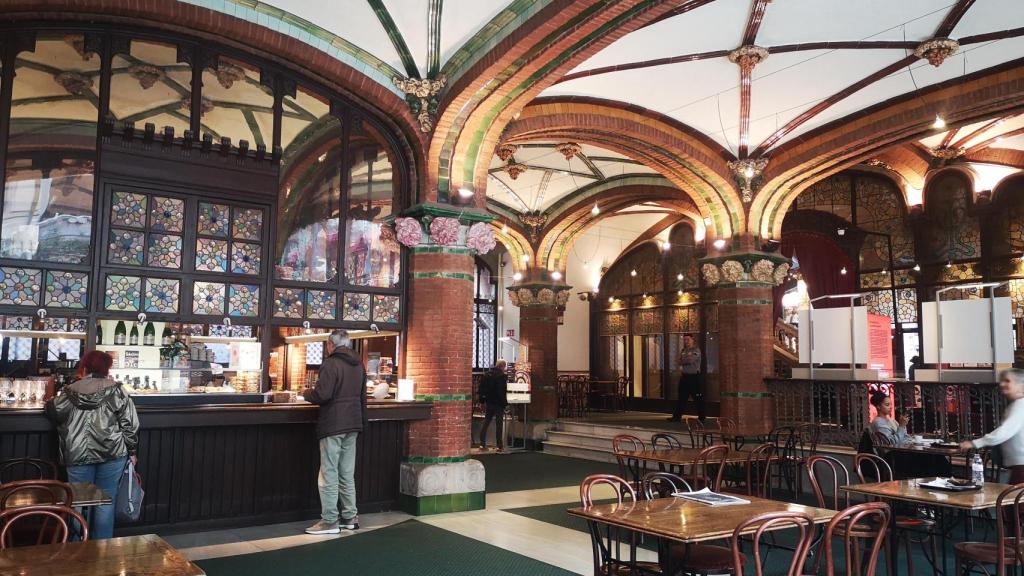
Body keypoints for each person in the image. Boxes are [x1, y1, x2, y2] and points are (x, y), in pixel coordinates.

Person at [45, 350, 139, 540]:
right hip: (112, 453)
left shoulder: (70, 391)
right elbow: (130, 424)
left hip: (77, 453)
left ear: (85, 367)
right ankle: (102, 550)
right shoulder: (117, 390)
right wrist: (132, 450)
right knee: (106, 501)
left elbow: (54, 412)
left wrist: (49, 393)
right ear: (107, 368)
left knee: (77, 501)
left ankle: (76, 548)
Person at [302, 330, 367, 534]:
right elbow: (362, 398)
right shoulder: (359, 365)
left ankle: (330, 520)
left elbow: (322, 394)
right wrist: (361, 422)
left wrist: (305, 393)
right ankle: (350, 517)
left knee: (328, 472)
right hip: (353, 423)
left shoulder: (331, 363)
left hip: (333, 424)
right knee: (347, 473)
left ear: (331, 344)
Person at [961, 369, 1024, 484]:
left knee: (1013, 500)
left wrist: (975, 443)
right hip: (1018, 467)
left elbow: (1004, 432)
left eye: (1007, 381)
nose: (1002, 384)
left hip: (1022, 468)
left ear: (1021, 386)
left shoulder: (1020, 406)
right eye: (1002, 381)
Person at [668, 334, 704, 422]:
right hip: (684, 377)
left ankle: (702, 417)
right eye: (684, 340)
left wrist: (684, 360)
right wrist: (685, 360)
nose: (686, 341)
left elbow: (690, 360)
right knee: (681, 398)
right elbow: (678, 361)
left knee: (697, 398)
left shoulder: (696, 350)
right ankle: (676, 417)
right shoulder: (683, 350)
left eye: (688, 339)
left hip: (694, 377)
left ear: (692, 340)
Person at [478, 360, 508, 451]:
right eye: (504, 367)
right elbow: (501, 392)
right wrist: (505, 403)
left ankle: (482, 444)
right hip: (498, 403)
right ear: (502, 366)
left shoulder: (487, 374)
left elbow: (481, 388)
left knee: (486, 422)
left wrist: (482, 401)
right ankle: (499, 445)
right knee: (499, 424)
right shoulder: (501, 376)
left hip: (489, 402)